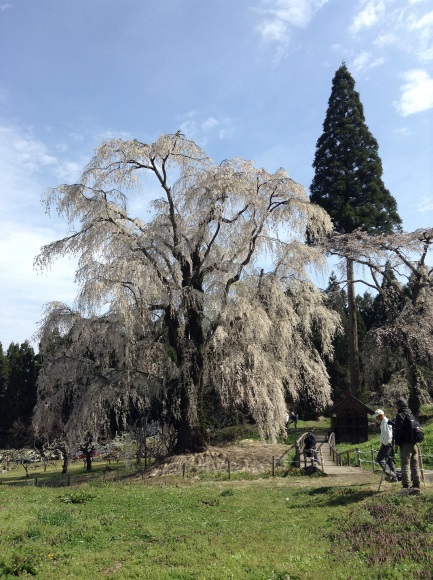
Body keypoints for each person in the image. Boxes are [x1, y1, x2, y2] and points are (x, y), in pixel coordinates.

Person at [393, 397, 422, 495]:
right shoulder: (411, 414)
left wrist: (396, 443)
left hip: (405, 444)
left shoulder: (400, 415)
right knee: (415, 463)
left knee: (405, 463)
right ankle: (417, 484)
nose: (395, 406)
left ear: (400, 405)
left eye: (396, 404)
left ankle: (406, 485)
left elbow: (398, 430)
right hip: (414, 443)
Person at [374, 409, 398, 482]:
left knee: (379, 459)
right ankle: (394, 478)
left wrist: (385, 443)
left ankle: (391, 474)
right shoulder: (384, 421)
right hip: (389, 443)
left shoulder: (385, 422)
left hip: (387, 443)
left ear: (380, 415)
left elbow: (388, 435)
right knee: (389, 460)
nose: (376, 418)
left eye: (377, 416)